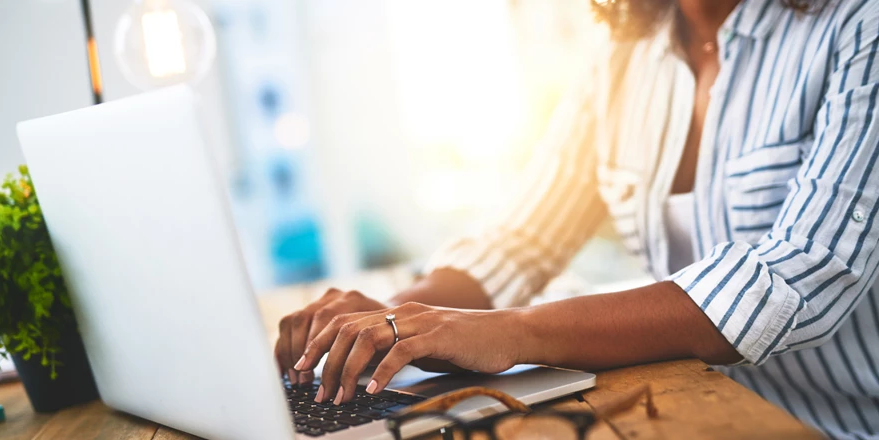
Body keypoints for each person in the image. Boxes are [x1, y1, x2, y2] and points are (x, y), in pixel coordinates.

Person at [275, 0, 879, 438]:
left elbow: (797, 276)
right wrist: (392, 322)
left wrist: (511, 332)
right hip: (697, 413)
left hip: (841, 425)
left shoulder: (860, 26)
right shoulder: (624, 55)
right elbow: (523, 239)